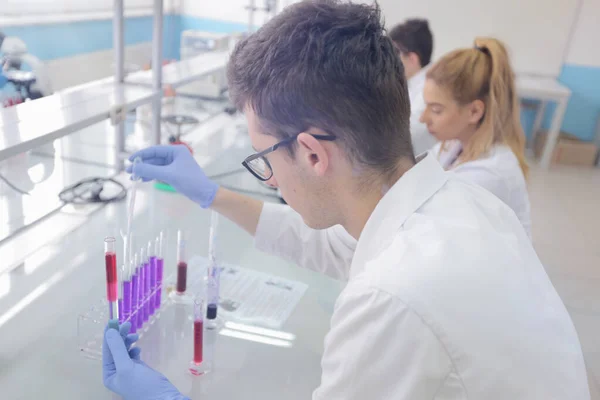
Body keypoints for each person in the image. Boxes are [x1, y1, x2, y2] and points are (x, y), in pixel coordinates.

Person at [102, 1, 590, 399]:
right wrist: (212, 193)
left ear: (313, 154)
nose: (270, 179)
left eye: (264, 158)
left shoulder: (391, 299)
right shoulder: (459, 202)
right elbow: (335, 245)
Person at [420, 38, 532, 237]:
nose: (423, 118)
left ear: (474, 111)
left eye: (436, 110)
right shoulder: (456, 143)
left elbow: (429, 223)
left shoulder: (490, 175)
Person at [388, 19, 437, 155]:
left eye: (394, 55)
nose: (390, 62)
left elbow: (405, 135)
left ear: (412, 58)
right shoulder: (414, 84)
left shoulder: (429, 91)